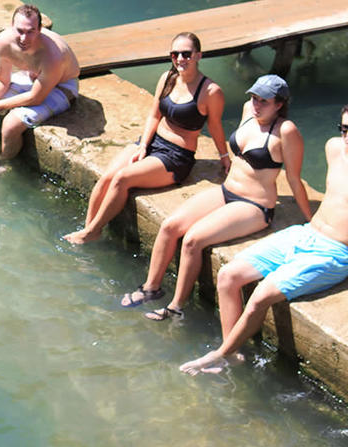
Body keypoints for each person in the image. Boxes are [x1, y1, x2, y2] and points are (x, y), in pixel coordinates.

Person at [179, 103, 348, 376]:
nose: (347, 136)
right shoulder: (334, 148)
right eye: (344, 129)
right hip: (305, 233)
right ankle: (232, 351)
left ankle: (222, 354)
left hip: (335, 253)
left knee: (260, 296)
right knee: (228, 276)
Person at [123, 75, 310, 320]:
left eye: (264, 101)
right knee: (170, 226)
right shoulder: (247, 111)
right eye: (254, 97)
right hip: (226, 190)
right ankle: (151, 288)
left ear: (279, 104)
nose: (256, 104)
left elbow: (295, 180)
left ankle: (176, 307)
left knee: (192, 240)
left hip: (254, 206)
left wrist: (311, 222)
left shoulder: (286, 130)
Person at [64, 32, 228, 244]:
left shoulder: (211, 91)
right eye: (175, 54)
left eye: (186, 54)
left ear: (198, 56)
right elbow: (154, 115)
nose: (180, 59)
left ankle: (91, 233)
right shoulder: (167, 78)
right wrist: (143, 145)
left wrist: (224, 155)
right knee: (107, 177)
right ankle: (88, 228)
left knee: (123, 179)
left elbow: (215, 125)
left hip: (176, 157)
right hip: (152, 142)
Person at [0, 4, 81, 175]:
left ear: (40, 29)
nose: (24, 38)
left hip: (62, 87)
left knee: (11, 124)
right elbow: (1, 80)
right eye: (19, 31)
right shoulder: (4, 42)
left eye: (30, 31)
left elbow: (36, 98)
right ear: (12, 27)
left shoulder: (53, 55)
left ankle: (5, 162)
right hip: (32, 76)